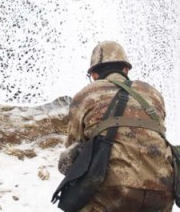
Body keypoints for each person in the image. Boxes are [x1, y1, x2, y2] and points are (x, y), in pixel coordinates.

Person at [59, 41, 174, 211]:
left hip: (112, 194)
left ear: (94, 74)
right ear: (126, 70)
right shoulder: (153, 93)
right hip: (163, 191)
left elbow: (73, 147)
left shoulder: (86, 94)